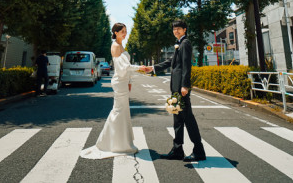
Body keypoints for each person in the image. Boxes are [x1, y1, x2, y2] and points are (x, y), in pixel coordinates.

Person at [80, 23, 143, 159]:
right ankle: (109, 144)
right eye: (122, 32)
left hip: (123, 82)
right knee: (118, 111)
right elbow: (121, 68)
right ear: (115, 32)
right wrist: (140, 68)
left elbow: (125, 67)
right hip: (119, 82)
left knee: (123, 111)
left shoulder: (121, 46)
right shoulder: (115, 46)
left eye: (126, 31)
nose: (125, 34)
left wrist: (130, 81)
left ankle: (122, 143)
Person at [146, 19, 206, 162]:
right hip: (176, 88)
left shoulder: (185, 43)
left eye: (179, 28)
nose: (176, 31)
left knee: (188, 119)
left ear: (185, 29)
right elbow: (170, 62)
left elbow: (186, 65)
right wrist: (153, 68)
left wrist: (185, 85)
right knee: (178, 119)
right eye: (174, 29)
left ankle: (199, 151)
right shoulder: (179, 44)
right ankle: (177, 150)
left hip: (181, 88)